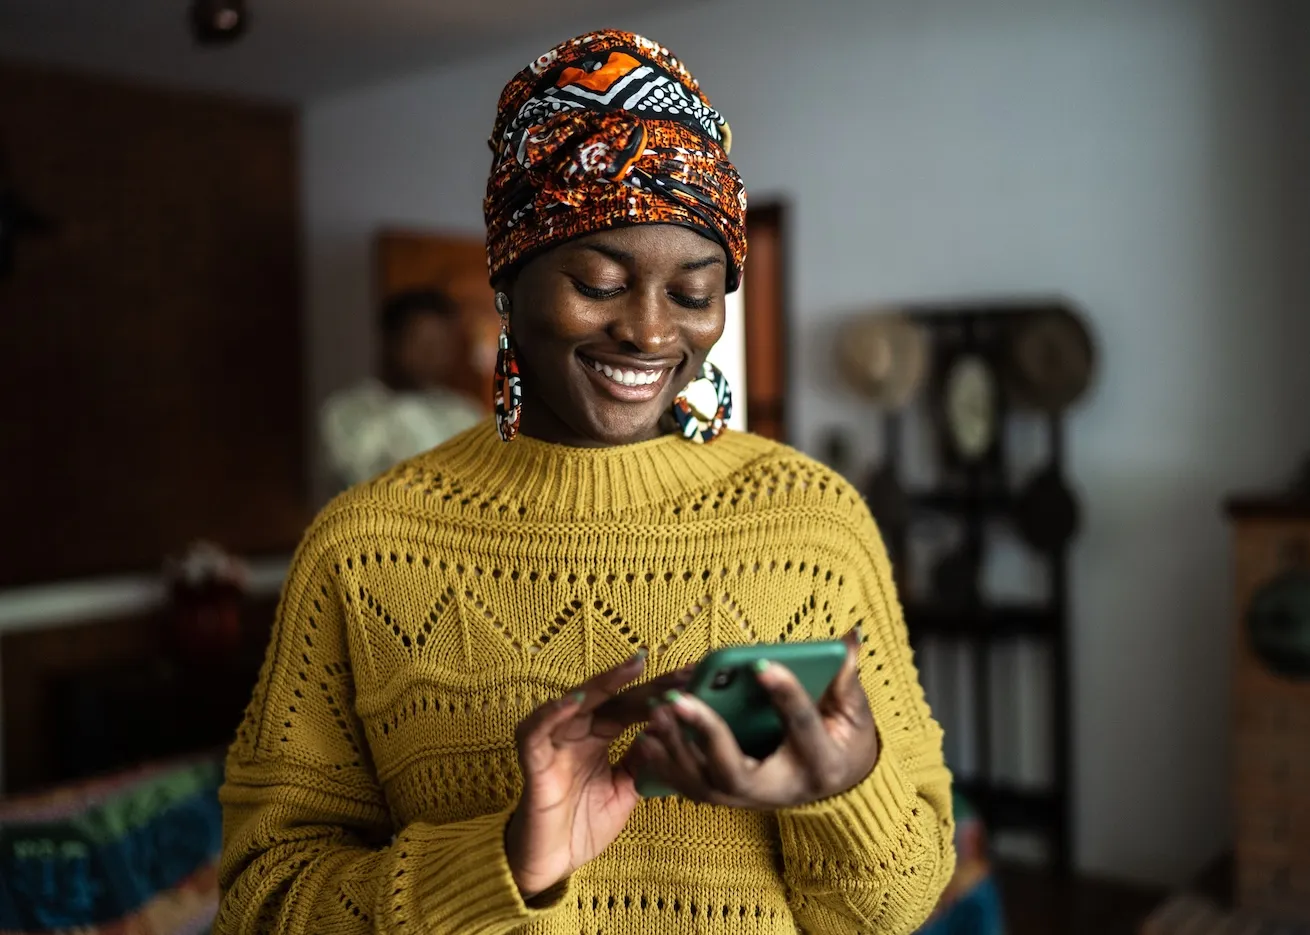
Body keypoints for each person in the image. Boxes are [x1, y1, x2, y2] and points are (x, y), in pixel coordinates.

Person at [216, 29, 954, 935]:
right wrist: (504, 863)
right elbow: (263, 902)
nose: (649, 333)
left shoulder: (813, 522)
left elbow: (895, 905)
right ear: (510, 278)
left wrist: (846, 788)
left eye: (693, 294)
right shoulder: (363, 547)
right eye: (598, 283)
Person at [320, 288, 484, 489]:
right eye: (424, 344)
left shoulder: (464, 413)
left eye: (442, 345)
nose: (433, 356)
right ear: (391, 342)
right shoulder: (349, 411)